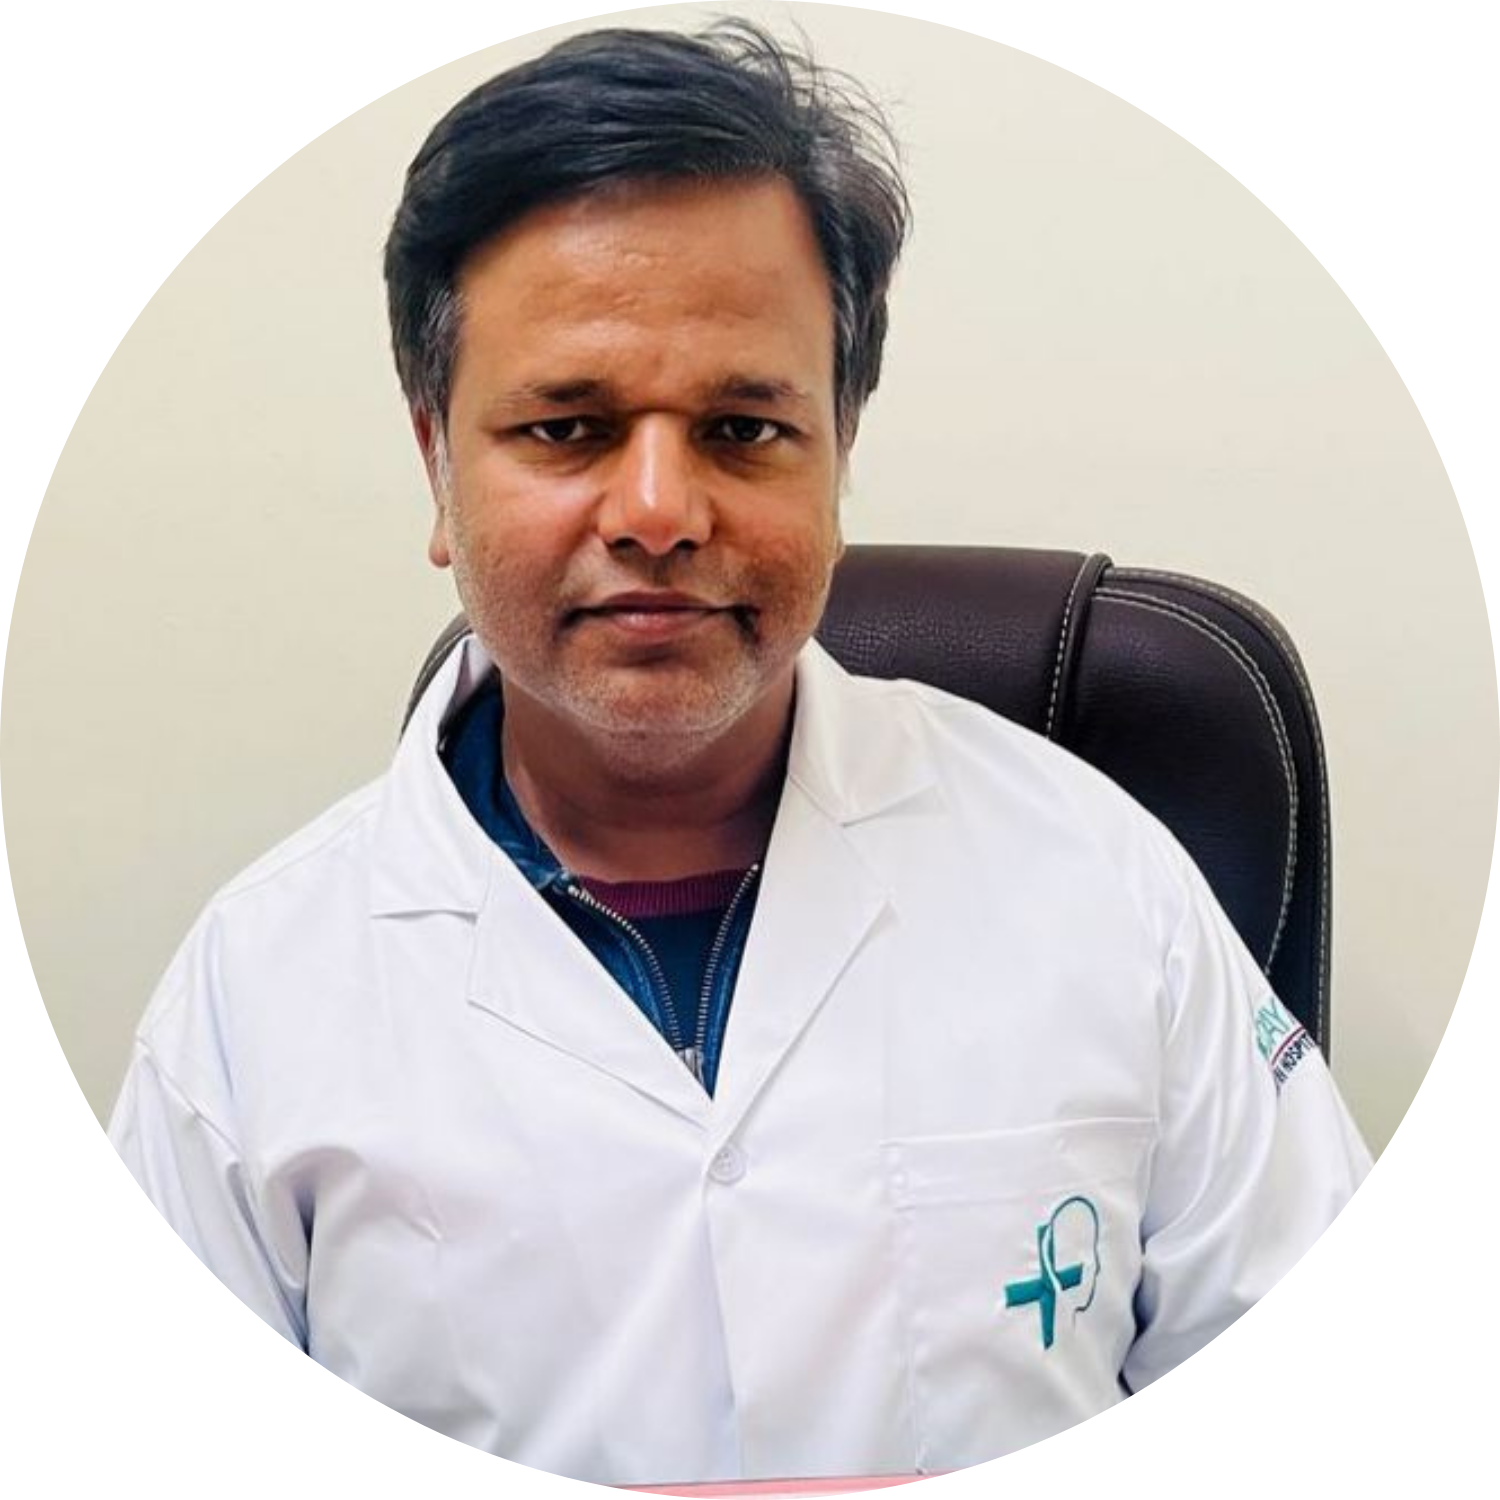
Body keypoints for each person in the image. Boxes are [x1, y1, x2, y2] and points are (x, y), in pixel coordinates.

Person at [108, 20, 1371, 1483]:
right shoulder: (253, 996)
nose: (659, 511)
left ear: (841, 445)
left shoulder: (1101, 880)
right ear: (437, 463)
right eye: (568, 427)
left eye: (743, 428)